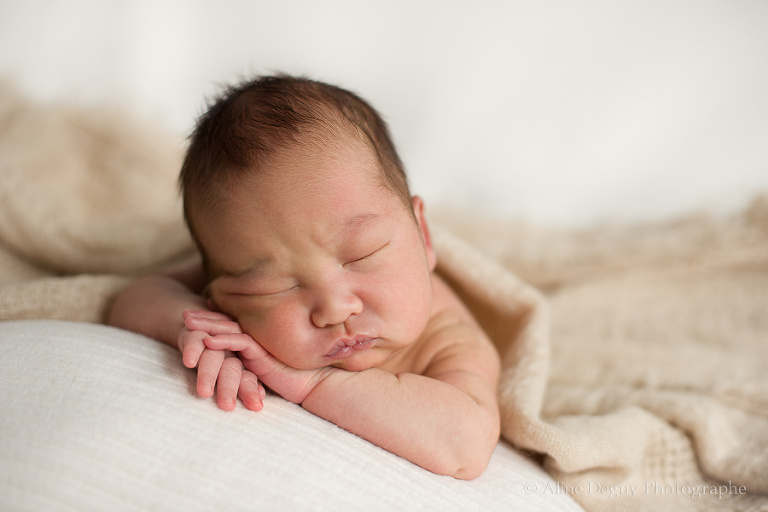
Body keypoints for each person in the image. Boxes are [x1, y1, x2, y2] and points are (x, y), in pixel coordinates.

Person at [108, 75, 500, 480]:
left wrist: (309, 382)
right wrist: (200, 329)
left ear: (424, 236)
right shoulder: (236, 273)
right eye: (276, 286)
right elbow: (132, 297)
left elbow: (463, 445)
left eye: (362, 254)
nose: (334, 308)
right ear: (220, 296)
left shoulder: (448, 336)